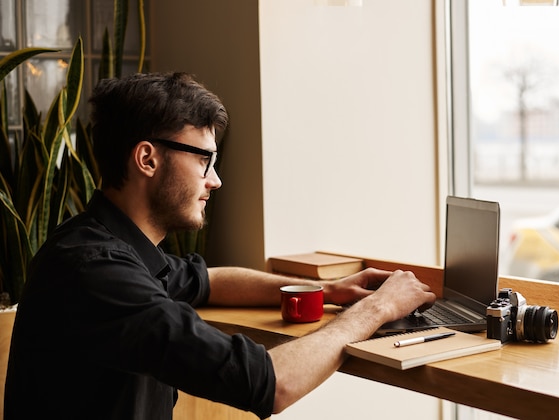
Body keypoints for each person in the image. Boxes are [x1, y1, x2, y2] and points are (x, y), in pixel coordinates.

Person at [4, 72, 435, 419]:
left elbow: (206, 281)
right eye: (203, 160)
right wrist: (376, 310)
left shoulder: (113, 246)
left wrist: (326, 293)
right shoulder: (95, 271)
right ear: (147, 159)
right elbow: (270, 384)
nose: (215, 180)